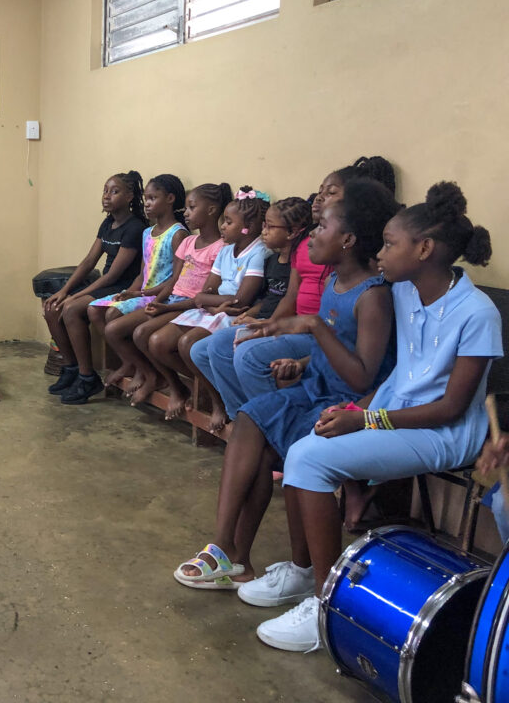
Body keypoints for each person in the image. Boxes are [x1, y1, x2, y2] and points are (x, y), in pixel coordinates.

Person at [255, 181, 501, 652]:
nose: (381, 253)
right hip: (396, 415)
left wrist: (365, 422)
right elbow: (399, 375)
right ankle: (307, 578)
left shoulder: (477, 313)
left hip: (446, 433)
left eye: (390, 244)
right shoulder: (405, 293)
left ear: (424, 249)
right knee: (303, 445)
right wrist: (360, 409)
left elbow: (450, 408)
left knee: (308, 459)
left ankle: (326, 607)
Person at [172, 180, 400, 597]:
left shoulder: (374, 296)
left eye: (323, 227)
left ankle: (239, 555)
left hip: (345, 405)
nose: (312, 233)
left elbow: (364, 376)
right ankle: (227, 550)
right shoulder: (336, 281)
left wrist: (312, 326)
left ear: (348, 240)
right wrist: (302, 361)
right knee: (249, 420)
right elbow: (337, 349)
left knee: (260, 440)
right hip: (315, 387)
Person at [223, 157, 397, 412]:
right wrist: (280, 333)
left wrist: (306, 325)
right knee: (247, 408)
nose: (318, 197)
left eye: (331, 193)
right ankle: (251, 418)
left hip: (341, 392)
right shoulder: (332, 275)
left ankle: (278, 429)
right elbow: (295, 300)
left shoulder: (372, 292)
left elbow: (359, 368)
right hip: (318, 366)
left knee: (250, 359)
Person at [139, 188, 270, 421]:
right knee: (158, 342)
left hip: (231, 315)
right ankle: (201, 390)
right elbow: (205, 293)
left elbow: (241, 300)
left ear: (246, 226)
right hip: (212, 310)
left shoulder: (258, 252)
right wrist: (211, 303)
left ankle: (218, 401)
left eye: (228, 222)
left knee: (188, 343)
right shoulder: (227, 249)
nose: (223, 227)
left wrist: (210, 300)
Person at [189, 197, 313, 428]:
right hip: (264, 318)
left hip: (282, 324)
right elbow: (268, 298)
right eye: (263, 224)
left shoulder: (295, 260)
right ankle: (241, 412)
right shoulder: (274, 259)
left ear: (292, 232)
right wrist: (254, 314)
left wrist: (268, 325)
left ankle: (264, 419)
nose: (263, 232)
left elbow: (289, 302)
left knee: (240, 350)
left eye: (269, 226)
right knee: (200, 351)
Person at [109, 183, 229, 402]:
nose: (186, 213)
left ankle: (185, 386)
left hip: (191, 306)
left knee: (148, 336)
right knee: (128, 330)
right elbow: (175, 280)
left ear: (211, 210)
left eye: (192, 208)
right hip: (173, 300)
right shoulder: (189, 242)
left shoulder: (221, 248)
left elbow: (204, 294)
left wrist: (165, 306)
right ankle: (164, 380)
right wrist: (155, 301)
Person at [44, 171, 146, 404]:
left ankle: (87, 377)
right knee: (52, 308)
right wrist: (64, 291)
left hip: (121, 286)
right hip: (105, 283)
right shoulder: (108, 223)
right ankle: (70, 368)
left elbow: (113, 275)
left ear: (130, 196)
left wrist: (75, 296)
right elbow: (89, 261)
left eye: (115, 191)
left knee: (70, 309)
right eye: (105, 190)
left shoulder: (134, 227)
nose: (107, 196)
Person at [89, 174, 188, 391]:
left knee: (113, 322)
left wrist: (149, 298)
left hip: (162, 297)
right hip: (143, 293)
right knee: (95, 310)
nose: (147, 204)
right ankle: (131, 364)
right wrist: (129, 292)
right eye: (146, 198)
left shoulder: (178, 234)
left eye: (153, 198)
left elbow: (176, 279)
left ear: (170, 199)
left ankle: (147, 372)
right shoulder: (147, 233)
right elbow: (142, 275)